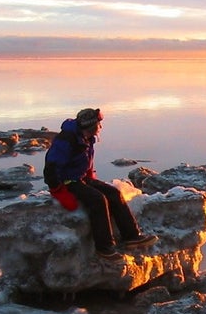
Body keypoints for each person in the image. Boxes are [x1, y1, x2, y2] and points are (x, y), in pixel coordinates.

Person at [44, 108, 157, 260]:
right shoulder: (67, 140)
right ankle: (104, 247)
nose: (101, 127)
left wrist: (90, 174)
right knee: (98, 200)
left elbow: (85, 159)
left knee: (114, 193)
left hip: (81, 177)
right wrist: (58, 190)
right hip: (68, 181)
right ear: (91, 125)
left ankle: (131, 236)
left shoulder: (86, 137)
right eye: (98, 124)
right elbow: (51, 167)